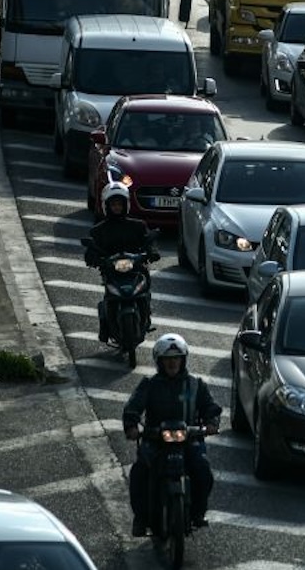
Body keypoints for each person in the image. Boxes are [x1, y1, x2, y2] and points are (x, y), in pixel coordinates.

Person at [122, 335, 222, 536]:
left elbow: (211, 408)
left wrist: (211, 423)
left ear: (183, 359)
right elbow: (132, 407)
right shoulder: (149, 385)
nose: (172, 362)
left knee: (203, 471)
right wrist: (131, 426)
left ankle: (197, 513)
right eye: (168, 358)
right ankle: (141, 518)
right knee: (139, 472)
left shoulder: (196, 385)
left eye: (176, 357)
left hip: (189, 441)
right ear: (159, 361)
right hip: (155, 441)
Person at [87, 181, 154, 344]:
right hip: (112, 272)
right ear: (106, 206)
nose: (117, 207)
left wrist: (152, 253)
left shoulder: (138, 225)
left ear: (126, 205)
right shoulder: (99, 230)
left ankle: (146, 317)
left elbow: (149, 241)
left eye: (120, 204)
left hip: (135, 270)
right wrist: (93, 258)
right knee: (108, 299)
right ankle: (105, 327)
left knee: (146, 291)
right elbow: (91, 249)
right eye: (113, 204)